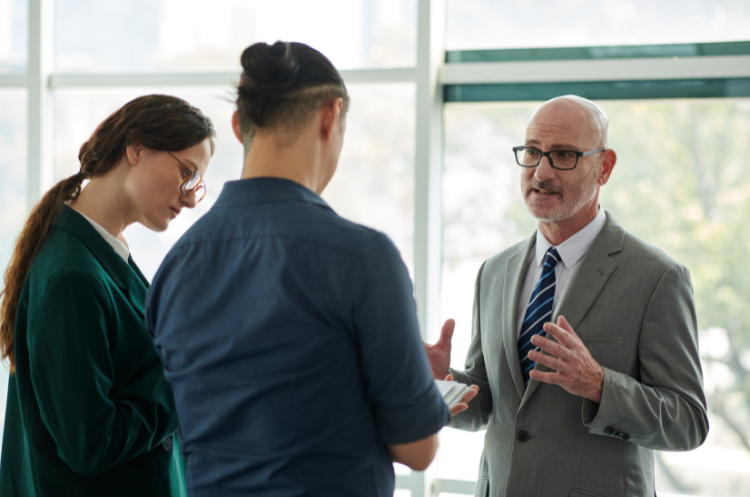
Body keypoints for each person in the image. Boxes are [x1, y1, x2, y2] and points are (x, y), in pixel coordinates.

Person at [145, 41, 476, 497]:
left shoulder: (174, 267)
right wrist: (421, 387)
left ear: (240, 126)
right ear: (330, 115)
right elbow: (417, 449)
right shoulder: (362, 257)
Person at [424, 95, 709, 497]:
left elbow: (689, 423)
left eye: (562, 155)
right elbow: (488, 402)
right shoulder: (494, 272)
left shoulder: (658, 278)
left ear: (604, 167)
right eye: (533, 152)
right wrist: (440, 383)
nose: (541, 171)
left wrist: (598, 385)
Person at [0, 94, 215, 497]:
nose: (189, 198)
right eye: (187, 173)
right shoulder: (72, 278)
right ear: (136, 149)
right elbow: (90, 445)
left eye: (196, 184)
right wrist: (183, 374)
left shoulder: (101, 251)